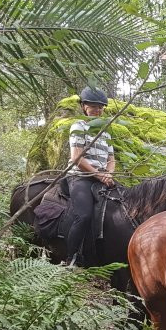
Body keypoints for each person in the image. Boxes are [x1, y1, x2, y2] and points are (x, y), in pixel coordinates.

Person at [65, 87, 116, 266]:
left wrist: (108, 174)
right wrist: (99, 175)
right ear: (84, 107)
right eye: (93, 106)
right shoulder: (79, 127)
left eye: (100, 107)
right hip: (80, 177)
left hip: (101, 177)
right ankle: (71, 258)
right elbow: (77, 158)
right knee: (84, 215)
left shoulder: (105, 132)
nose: (97, 110)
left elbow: (111, 159)